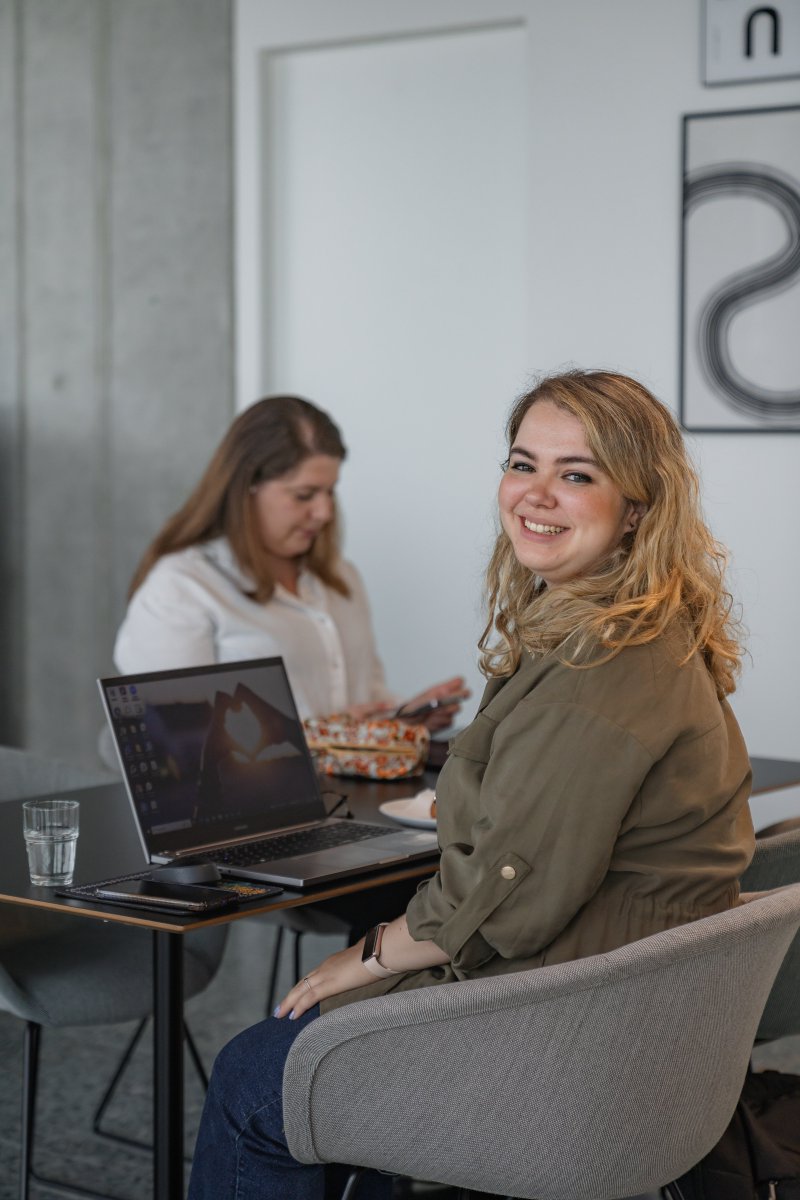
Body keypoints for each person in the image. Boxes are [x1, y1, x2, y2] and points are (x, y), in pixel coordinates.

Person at [187, 370, 755, 1200]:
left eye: (578, 474)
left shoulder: (604, 664)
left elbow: (511, 897)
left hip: (564, 1029)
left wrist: (371, 955)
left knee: (253, 1075)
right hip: (622, 1016)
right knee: (319, 1052)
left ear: (638, 506)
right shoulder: (625, 627)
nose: (537, 494)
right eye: (524, 464)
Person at [113, 394, 467, 729]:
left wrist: (401, 717)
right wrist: (326, 736)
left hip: (357, 794)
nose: (325, 512)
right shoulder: (181, 589)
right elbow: (175, 742)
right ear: (246, 487)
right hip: (256, 795)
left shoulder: (341, 579)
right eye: (304, 495)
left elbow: (362, 696)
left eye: (330, 491)